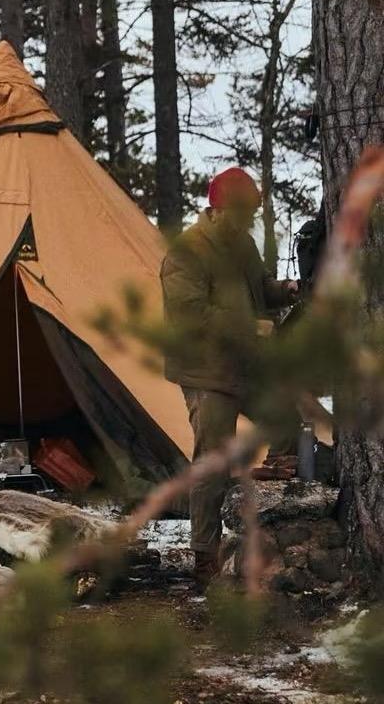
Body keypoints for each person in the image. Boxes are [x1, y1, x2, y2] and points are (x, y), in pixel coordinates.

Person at [160, 167, 299, 585]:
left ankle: (278, 507)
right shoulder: (187, 252)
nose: (245, 223)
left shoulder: (242, 246)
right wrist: (248, 326)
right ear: (215, 210)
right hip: (206, 373)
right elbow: (191, 314)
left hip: (244, 365)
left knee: (286, 422)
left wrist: (285, 290)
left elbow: (260, 288)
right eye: (239, 214)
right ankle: (205, 556)